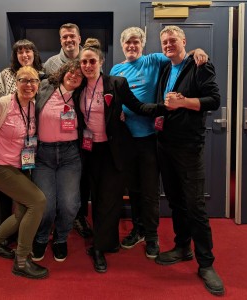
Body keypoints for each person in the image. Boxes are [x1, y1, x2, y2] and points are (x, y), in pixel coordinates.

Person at [110, 27, 208, 258]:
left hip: (149, 139)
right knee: (133, 189)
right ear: (122, 45)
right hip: (126, 140)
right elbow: (112, 99)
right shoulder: (116, 69)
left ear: (142, 44)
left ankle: (152, 236)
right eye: (127, 43)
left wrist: (197, 50)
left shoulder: (153, 60)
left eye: (136, 42)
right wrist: (117, 113)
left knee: (150, 190)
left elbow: (178, 54)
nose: (131, 46)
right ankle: (139, 229)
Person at [76, 38, 164, 273]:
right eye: (83, 61)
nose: (87, 65)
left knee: (110, 198)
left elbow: (137, 107)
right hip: (89, 150)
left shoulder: (117, 82)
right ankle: (107, 242)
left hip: (114, 150)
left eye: (92, 61)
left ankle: (99, 248)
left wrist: (163, 108)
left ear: (101, 62)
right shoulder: (77, 88)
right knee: (95, 196)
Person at [153, 25, 224, 296]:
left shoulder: (199, 65)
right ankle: (182, 247)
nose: (168, 44)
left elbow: (214, 100)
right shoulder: (164, 68)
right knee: (176, 201)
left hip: (189, 146)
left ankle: (206, 263)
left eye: (173, 40)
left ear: (184, 41)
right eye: (164, 41)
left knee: (195, 206)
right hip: (164, 144)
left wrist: (184, 103)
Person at [0, 66, 48, 279]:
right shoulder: (1, 104)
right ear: (16, 82)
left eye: (33, 81)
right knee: (38, 201)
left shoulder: (33, 107)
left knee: (24, 211)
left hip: (20, 165)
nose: (29, 85)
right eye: (24, 80)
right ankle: (21, 261)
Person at [0, 39, 46, 238]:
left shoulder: (43, 77)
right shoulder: (5, 75)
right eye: (20, 52)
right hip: (3, 144)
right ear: (15, 56)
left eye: (28, 51)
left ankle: (23, 232)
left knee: (26, 196)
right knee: (2, 192)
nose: (24, 55)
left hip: (31, 144)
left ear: (34, 54)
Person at [31, 60, 84, 262]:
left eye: (79, 75)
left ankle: (61, 238)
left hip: (70, 155)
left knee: (70, 204)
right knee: (45, 205)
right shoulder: (45, 87)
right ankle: (42, 237)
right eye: (71, 72)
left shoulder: (81, 95)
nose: (74, 76)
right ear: (63, 72)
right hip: (43, 154)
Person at [44, 23, 93, 239]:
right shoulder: (51, 63)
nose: (68, 40)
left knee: (81, 178)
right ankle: (56, 219)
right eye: (64, 37)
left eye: (72, 36)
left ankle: (79, 217)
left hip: (83, 128)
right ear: (60, 40)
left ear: (79, 37)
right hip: (55, 129)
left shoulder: (89, 60)